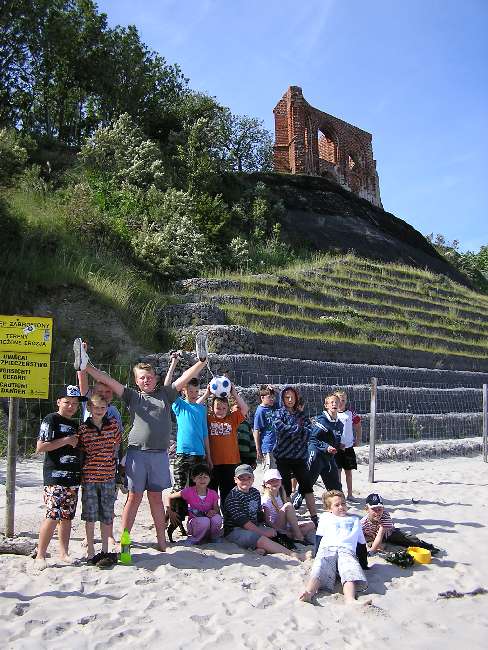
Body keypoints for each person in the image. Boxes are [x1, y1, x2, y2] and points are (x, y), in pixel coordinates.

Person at [73, 336, 208, 552]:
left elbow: (184, 378)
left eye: (149, 377)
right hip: (137, 454)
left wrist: (201, 362)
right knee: (134, 498)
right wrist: (86, 366)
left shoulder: (166, 394)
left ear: (156, 378)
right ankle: (125, 543)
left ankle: (161, 542)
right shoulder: (132, 396)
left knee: (156, 499)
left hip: (160, 455)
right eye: (142, 378)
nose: (146, 380)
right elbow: (107, 379)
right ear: (136, 381)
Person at [76, 343, 124, 550]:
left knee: (108, 503)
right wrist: (82, 358)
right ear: (93, 392)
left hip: (108, 465)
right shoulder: (89, 403)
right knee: (90, 504)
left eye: (107, 391)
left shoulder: (114, 413)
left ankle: (109, 536)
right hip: (89, 465)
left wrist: (116, 462)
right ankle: (89, 538)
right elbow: (82, 381)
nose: (104, 393)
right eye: (100, 390)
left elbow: (118, 441)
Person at [34, 385, 87, 569]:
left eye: (74, 403)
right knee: (52, 515)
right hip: (55, 476)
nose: (71, 406)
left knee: (67, 516)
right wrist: (65, 440)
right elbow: (40, 446)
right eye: (67, 402)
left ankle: (64, 553)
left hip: (73, 478)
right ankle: (40, 555)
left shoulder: (76, 424)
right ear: (58, 402)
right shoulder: (51, 419)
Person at [164, 352, 212, 540]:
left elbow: (205, 434)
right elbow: (167, 387)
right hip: (182, 454)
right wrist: (173, 363)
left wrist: (209, 457)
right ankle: (170, 520)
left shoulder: (201, 409)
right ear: (184, 391)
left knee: (196, 491)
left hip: (199, 455)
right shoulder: (179, 406)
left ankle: (193, 524)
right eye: (190, 391)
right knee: (178, 489)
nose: (194, 394)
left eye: (196, 391)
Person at [223, 464, 309, 560]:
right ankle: (294, 555)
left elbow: (259, 515)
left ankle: (261, 549)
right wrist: (262, 532)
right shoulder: (233, 497)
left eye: (249, 477)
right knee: (260, 538)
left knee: (275, 533)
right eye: (241, 478)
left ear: (253, 479)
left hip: (254, 525)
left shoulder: (255, 493)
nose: (245, 480)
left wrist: (270, 528)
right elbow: (243, 522)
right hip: (235, 530)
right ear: (235, 480)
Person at [299, 490, 369, 604]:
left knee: (349, 570)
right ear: (329, 509)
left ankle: (350, 599)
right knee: (320, 568)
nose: (341, 507)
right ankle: (309, 592)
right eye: (337, 505)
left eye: (343, 504)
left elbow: (361, 544)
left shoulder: (355, 520)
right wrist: (316, 555)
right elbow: (319, 537)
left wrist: (364, 564)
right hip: (327, 549)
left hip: (346, 551)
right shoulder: (325, 517)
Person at [77, 394, 122, 564]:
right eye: (96, 407)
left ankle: (105, 550)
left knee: (107, 514)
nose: (99, 410)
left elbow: (118, 445)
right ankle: (90, 550)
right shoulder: (83, 428)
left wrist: (118, 467)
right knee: (90, 515)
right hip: (89, 477)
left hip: (108, 476)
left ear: (107, 409)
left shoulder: (113, 425)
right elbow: (81, 451)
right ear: (89, 408)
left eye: (103, 407)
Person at [197, 381, 249, 506]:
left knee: (228, 494)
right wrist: (207, 394)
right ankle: (214, 515)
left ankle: (227, 517)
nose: (221, 411)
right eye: (218, 408)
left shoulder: (232, 419)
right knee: (212, 494)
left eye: (224, 408)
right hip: (212, 463)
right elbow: (195, 407)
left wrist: (234, 393)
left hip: (231, 463)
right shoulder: (208, 418)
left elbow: (244, 408)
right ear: (212, 408)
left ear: (228, 409)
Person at [273, 386, 318, 525]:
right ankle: (289, 517)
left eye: (292, 397)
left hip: (300, 457)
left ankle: (314, 516)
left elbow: (309, 432)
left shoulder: (301, 415)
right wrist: (299, 430)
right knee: (285, 488)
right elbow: (280, 429)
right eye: (287, 397)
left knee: (307, 486)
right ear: (282, 399)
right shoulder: (278, 413)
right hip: (283, 457)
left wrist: (294, 431)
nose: (290, 400)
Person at [293, 393, 343, 512]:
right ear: (326, 405)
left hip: (329, 457)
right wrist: (326, 447)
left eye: (336, 402)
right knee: (308, 480)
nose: (334, 404)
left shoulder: (340, 424)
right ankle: (297, 499)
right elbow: (312, 439)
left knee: (335, 485)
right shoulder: (321, 420)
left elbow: (334, 439)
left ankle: (337, 506)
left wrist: (338, 445)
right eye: (331, 402)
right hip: (316, 454)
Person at [361, 493, 440, 555]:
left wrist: (372, 550)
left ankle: (427, 547)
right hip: (373, 538)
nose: (377, 512)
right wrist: (371, 550)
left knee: (408, 538)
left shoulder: (384, 515)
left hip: (389, 533)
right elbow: (361, 537)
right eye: (374, 509)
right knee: (383, 547)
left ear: (383, 508)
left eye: (380, 509)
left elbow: (380, 534)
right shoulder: (363, 523)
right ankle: (406, 553)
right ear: (366, 509)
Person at [168, 464, 222, 544]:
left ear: (209, 479)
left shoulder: (213, 493)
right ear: (193, 479)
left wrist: (213, 511)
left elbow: (216, 508)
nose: (202, 480)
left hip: (208, 522)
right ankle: (194, 539)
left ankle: (213, 537)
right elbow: (170, 496)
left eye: (205, 477)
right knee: (204, 521)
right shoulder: (188, 491)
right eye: (199, 477)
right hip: (195, 522)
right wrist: (170, 510)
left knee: (217, 518)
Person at [261, 469, 315, 544]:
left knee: (311, 524)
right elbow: (267, 521)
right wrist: (280, 530)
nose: (275, 482)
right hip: (276, 526)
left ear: (281, 480)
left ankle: (292, 535)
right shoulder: (266, 499)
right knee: (288, 506)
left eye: (277, 480)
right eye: (271, 481)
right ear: (266, 484)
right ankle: (299, 537)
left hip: (285, 524)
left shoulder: (281, 493)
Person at [334, 390, 362, 502]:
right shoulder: (332, 413)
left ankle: (350, 494)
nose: (340, 403)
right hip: (336, 448)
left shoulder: (351, 413)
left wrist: (358, 439)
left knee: (348, 472)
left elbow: (358, 426)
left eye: (343, 400)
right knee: (337, 472)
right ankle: (339, 494)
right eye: (338, 400)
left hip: (348, 447)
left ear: (346, 401)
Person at [253, 385, 277, 471]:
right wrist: (258, 449)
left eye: (273, 397)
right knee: (270, 472)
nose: (272, 399)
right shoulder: (260, 411)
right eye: (269, 397)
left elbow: (282, 403)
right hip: (268, 446)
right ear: (262, 398)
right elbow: (256, 430)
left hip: (277, 446)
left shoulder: (272, 408)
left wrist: (274, 390)